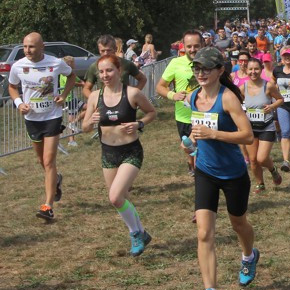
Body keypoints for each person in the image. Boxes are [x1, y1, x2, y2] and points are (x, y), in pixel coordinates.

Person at [185, 47, 259, 290]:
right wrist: (192, 140)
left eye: (206, 68)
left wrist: (213, 135)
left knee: (239, 223)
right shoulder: (193, 97)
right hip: (205, 171)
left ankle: (249, 255)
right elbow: (199, 129)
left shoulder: (228, 99)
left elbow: (248, 136)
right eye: (197, 68)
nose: (201, 73)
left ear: (220, 71)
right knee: (204, 232)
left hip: (233, 174)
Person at [81, 54, 156, 255]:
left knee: (115, 198)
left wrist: (139, 123)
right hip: (108, 153)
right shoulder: (95, 97)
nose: (105, 75)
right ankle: (142, 233)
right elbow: (85, 127)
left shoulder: (132, 93)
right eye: (102, 72)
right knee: (122, 197)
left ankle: (134, 233)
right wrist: (91, 121)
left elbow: (152, 112)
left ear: (119, 71)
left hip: (131, 151)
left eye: (109, 70)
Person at [7, 32, 76, 221]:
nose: (27, 50)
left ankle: (48, 206)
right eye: (25, 47)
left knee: (48, 161)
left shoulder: (55, 63)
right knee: (41, 161)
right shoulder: (18, 66)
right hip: (32, 118)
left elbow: (71, 77)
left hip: (52, 116)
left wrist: (63, 96)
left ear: (42, 47)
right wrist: (19, 103)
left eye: (32, 47)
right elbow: (12, 87)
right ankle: (56, 180)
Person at [156, 30, 202, 178]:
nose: (193, 49)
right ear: (183, 46)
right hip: (183, 116)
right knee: (188, 145)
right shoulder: (175, 63)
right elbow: (160, 87)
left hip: (205, 115)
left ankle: (199, 170)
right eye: (189, 46)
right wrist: (173, 95)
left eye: (196, 46)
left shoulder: (210, 62)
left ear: (203, 45)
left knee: (204, 149)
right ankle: (191, 163)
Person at [243, 57, 283, 193]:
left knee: (261, 158)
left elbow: (280, 99)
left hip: (267, 126)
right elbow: (237, 104)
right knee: (253, 160)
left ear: (261, 70)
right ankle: (260, 184)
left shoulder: (268, 85)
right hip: (251, 128)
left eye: (256, 69)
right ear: (246, 70)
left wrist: (272, 106)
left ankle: (273, 169)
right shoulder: (242, 88)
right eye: (250, 69)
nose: (253, 72)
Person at [83, 35, 148, 100]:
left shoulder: (126, 64)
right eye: (102, 51)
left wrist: (132, 95)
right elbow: (86, 88)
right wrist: (96, 100)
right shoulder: (94, 66)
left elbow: (142, 79)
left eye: (109, 50)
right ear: (99, 50)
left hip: (124, 105)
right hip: (104, 105)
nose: (106, 53)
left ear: (115, 49)